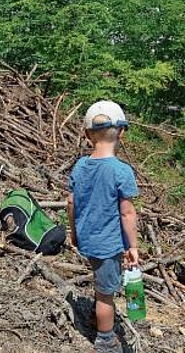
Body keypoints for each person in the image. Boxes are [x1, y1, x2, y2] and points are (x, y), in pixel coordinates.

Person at [66, 100, 140, 353]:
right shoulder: (121, 171)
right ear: (121, 132)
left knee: (102, 281)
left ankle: (97, 316)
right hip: (109, 244)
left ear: (87, 134)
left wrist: (74, 232)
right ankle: (105, 339)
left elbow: (71, 202)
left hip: (88, 238)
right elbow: (127, 212)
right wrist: (133, 246)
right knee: (107, 294)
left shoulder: (80, 166)